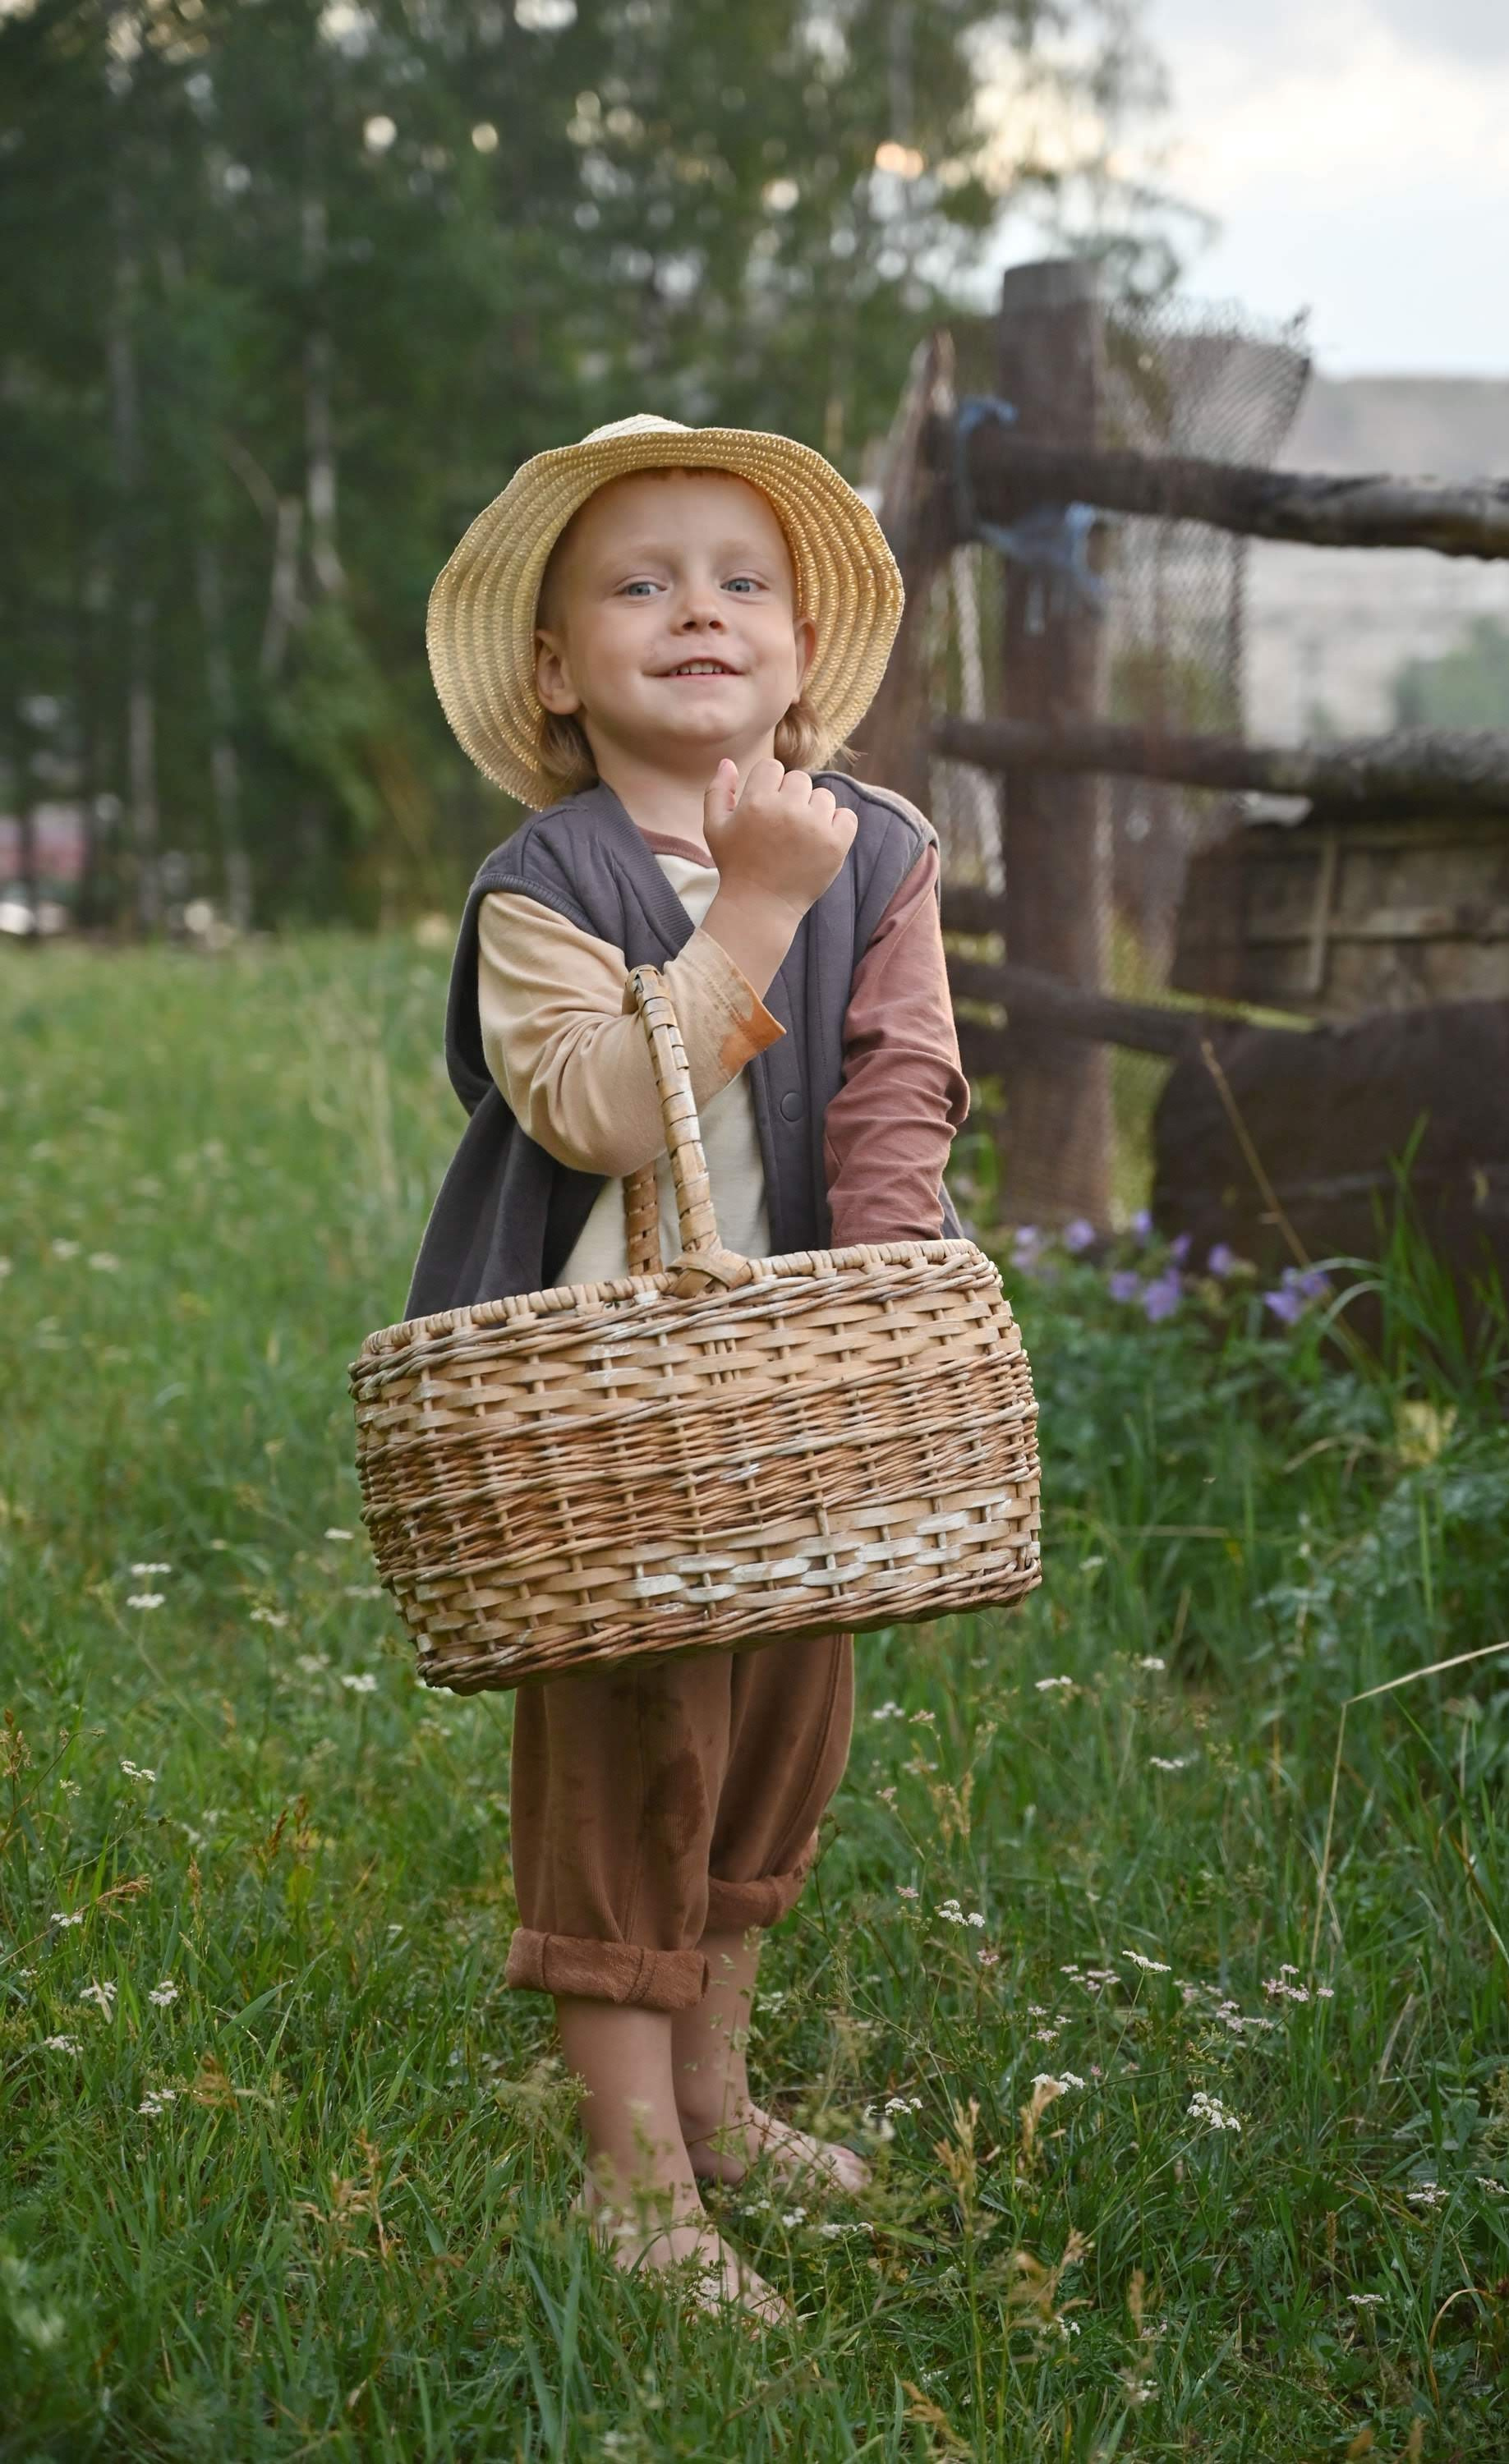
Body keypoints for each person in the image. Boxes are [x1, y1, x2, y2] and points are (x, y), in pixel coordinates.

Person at [407, 415, 969, 2322]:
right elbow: (582, 1112)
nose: (697, 613)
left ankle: (715, 2104)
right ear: (559, 671)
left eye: (741, 581)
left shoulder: (879, 847)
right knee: (625, 1745)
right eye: (637, 586)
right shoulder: (545, 881)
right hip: (599, 1399)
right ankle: (629, 2180)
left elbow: (899, 1072)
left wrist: (881, 1298)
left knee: (771, 1746)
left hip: (799, 1388)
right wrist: (747, 910)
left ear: (802, 646)